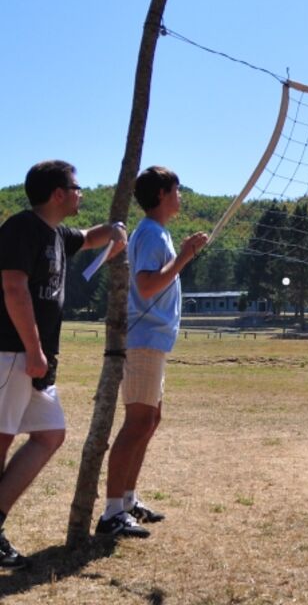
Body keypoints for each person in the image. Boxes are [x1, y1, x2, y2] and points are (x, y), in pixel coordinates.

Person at [0, 160, 126, 566]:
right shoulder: (21, 228)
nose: (80, 194)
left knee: (50, 434)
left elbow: (88, 237)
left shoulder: (57, 234)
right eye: (76, 188)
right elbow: (13, 289)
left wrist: (115, 231)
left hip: (32, 358)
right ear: (58, 194)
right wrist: (33, 349)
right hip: (11, 353)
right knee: (1, 440)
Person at [99, 166, 208, 538]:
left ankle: (128, 500)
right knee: (137, 422)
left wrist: (184, 253)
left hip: (153, 341)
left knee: (150, 420)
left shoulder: (157, 232)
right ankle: (112, 511)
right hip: (143, 340)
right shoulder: (149, 233)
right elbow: (146, 286)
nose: (181, 196)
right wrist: (185, 256)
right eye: (176, 189)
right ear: (162, 194)